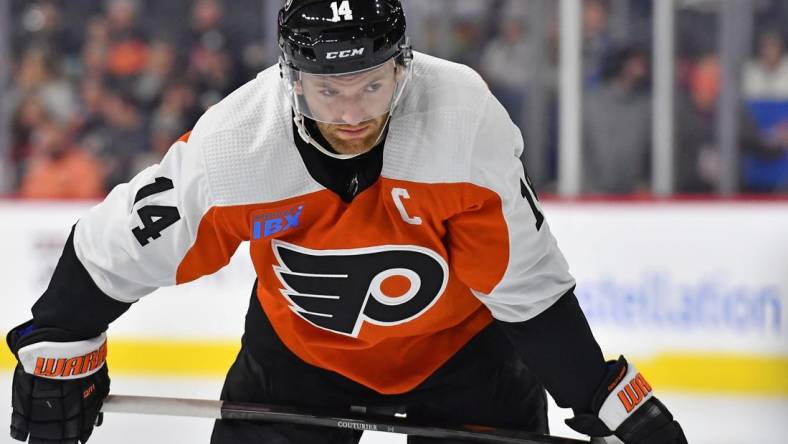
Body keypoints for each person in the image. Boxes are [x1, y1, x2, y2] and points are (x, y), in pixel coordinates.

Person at [6, 1, 688, 444]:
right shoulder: (234, 150)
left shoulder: (464, 124)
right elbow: (110, 253)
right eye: (329, 88)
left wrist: (603, 394)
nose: (353, 111)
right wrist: (58, 344)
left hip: (462, 357)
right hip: (298, 361)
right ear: (292, 79)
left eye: (371, 82)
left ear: (403, 67)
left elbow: (525, 290)